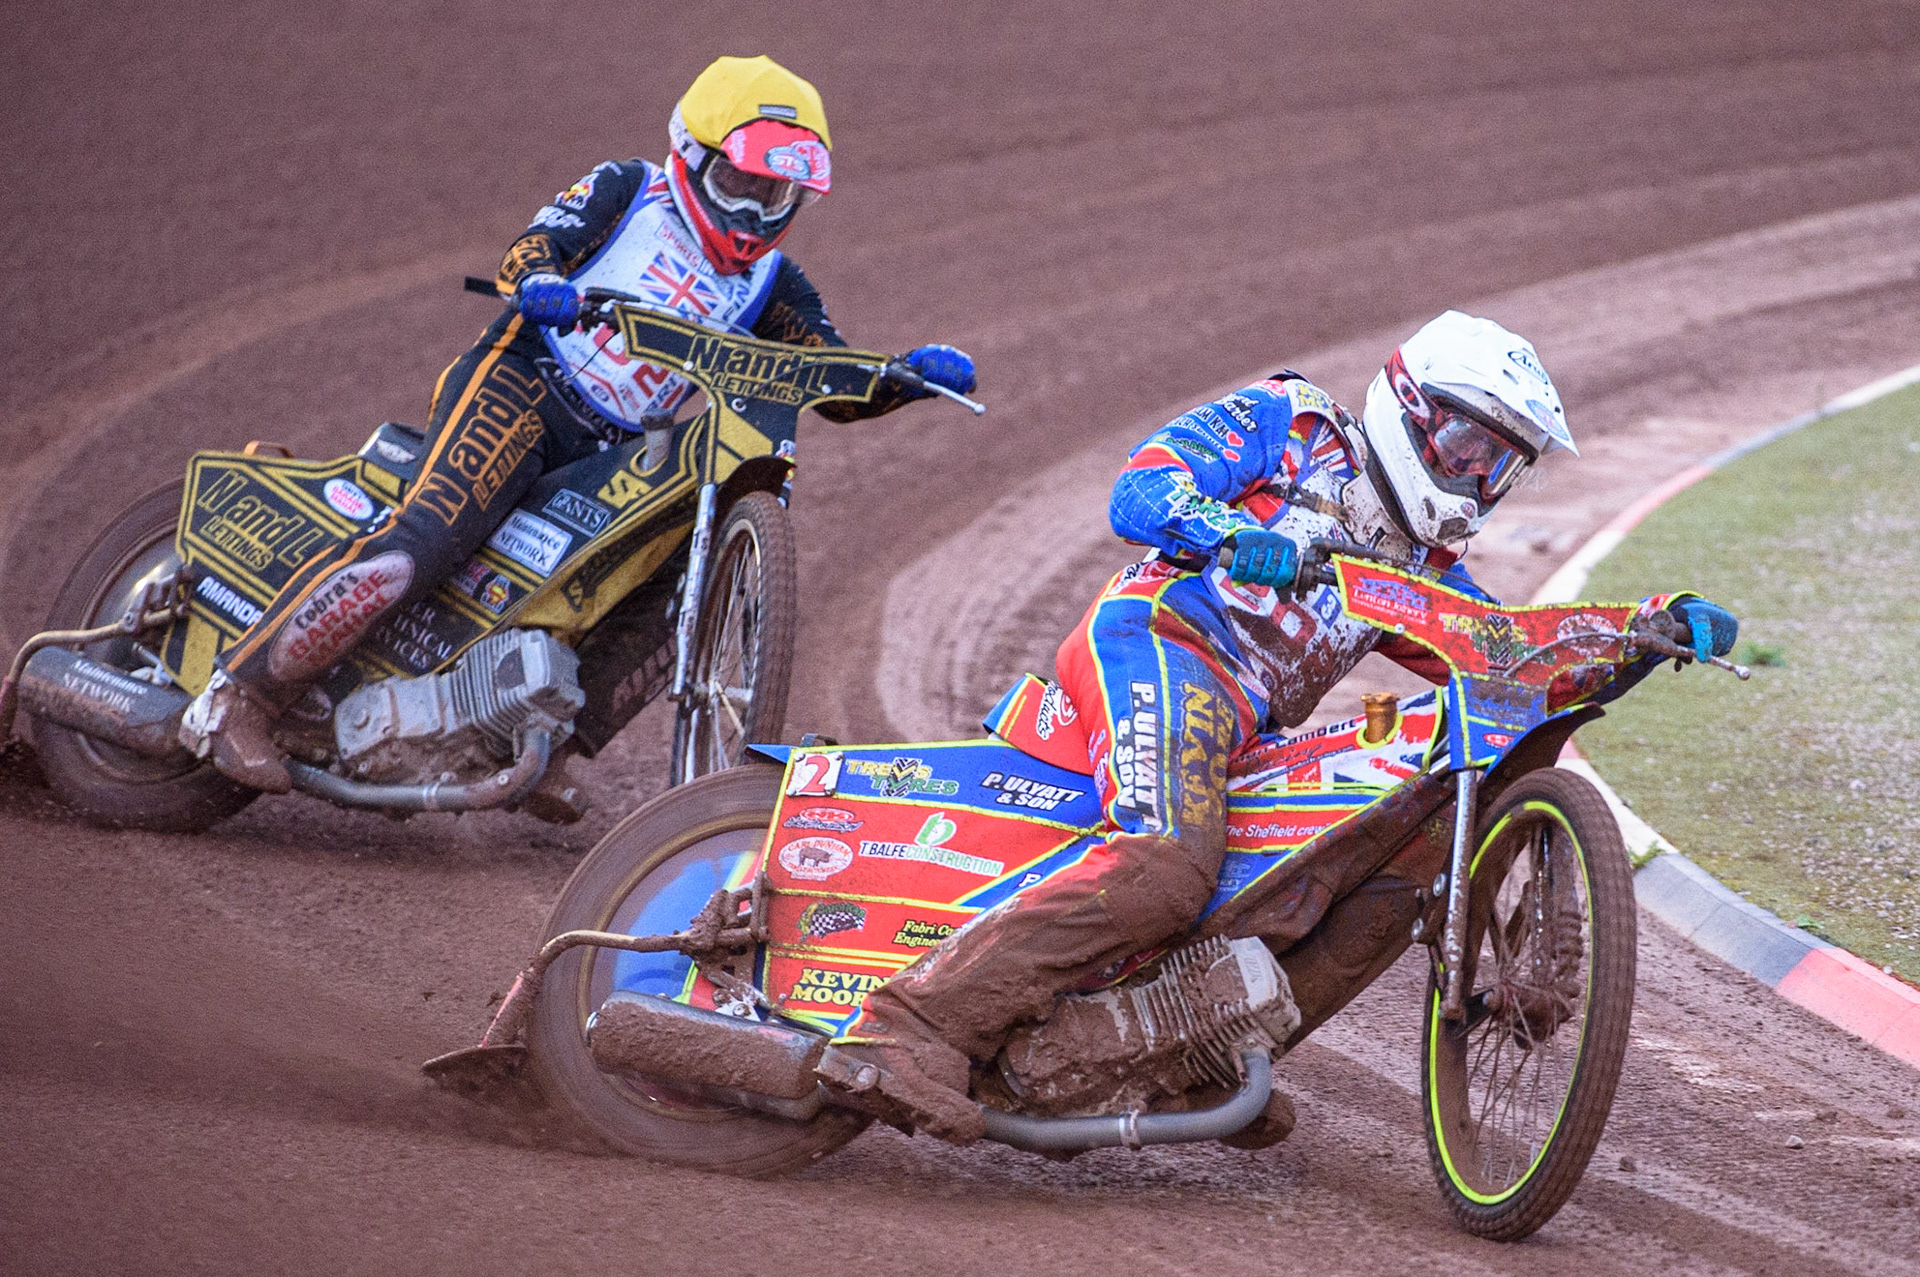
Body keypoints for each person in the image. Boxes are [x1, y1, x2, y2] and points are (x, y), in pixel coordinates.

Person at [835, 310, 1738, 1142]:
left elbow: (1499, 651)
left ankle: (1182, 1055)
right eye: (1467, 443)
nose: (1475, 478)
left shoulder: (1417, 568)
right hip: (1164, 639)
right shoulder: (1295, 425)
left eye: (1499, 464)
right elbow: (1141, 486)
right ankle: (909, 1023)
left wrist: (1645, 625)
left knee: (1356, 869)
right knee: (1166, 863)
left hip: (1248, 724)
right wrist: (1227, 532)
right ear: (1411, 407)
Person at [179, 55, 977, 793]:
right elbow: (531, 248)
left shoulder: (775, 281)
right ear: (694, 157)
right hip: (527, 386)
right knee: (423, 543)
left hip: (621, 450)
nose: (757, 210)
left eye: (775, 194)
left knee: (667, 590)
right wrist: (543, 283)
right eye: (740, 183)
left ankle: (546, 742)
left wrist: (905, 376)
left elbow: (828, 377)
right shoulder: (628, 192)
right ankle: (238, 698)